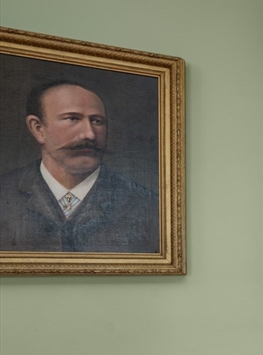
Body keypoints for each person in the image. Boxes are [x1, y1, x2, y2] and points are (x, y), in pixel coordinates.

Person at [0, 80, 159, 253]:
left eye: (97, 121)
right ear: (38, 129)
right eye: (72, 118)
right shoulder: (5, 192)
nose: (89, 134)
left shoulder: (149, 205)